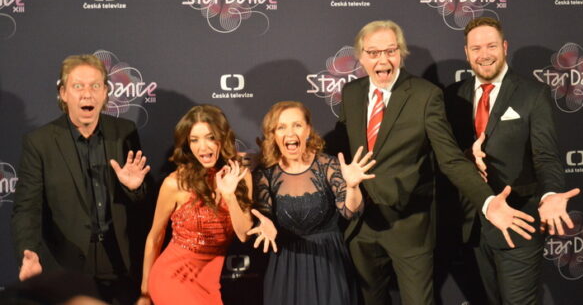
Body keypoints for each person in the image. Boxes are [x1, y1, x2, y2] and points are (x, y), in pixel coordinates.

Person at [335, 20, 537, 305]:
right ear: (361, 57)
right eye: (373, 53)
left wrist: (488, 202)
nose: (383, 60)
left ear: (401, 53)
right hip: (362, 226)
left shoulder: (425, 95)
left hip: (410, 227)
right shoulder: (352, 93)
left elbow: (450, 160)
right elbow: (339, 144)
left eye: (390, 51)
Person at [444, 17, 580, 304]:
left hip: (519, 222)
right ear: (466, 52)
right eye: (476, 48)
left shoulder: (533, 93)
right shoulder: (451, 96)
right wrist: (468, 157)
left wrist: (551, 194)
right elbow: (447, 155)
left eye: (491, 46)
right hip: (472, 226)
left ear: (505, 47)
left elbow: (546, 157)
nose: (484, 54)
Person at [11, 54, 150, 304]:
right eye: (78, 86)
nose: (88, 94)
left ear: (105, 92)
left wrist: (135, 188)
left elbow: (143, 205)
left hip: (120, 261)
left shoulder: (125, 132)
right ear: (63, 93)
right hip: (65, 263)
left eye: (95, 86)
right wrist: (28, 252)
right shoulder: (39, 142)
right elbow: (26, 209)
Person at [249, 101, 375, 305]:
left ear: (308, 130)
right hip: (285, 266)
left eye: (297, 125)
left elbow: (350, 212)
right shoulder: (265, 174)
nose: (290, 133)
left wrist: (352, 187)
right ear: (273, 135)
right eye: (281, 127)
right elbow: (262, 219)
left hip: (329, 264)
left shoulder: (328, 165)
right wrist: (265, 226)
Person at [137, 105, 253, 305]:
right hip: (173, 278)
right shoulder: (175, 183)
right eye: (194, 140)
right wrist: (144, 293)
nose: (203, 147)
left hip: (209, 283)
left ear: (222, 138)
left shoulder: (241, 176)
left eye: (210, 137)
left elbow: (244, 234)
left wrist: (229, 196)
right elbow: (155, 237)